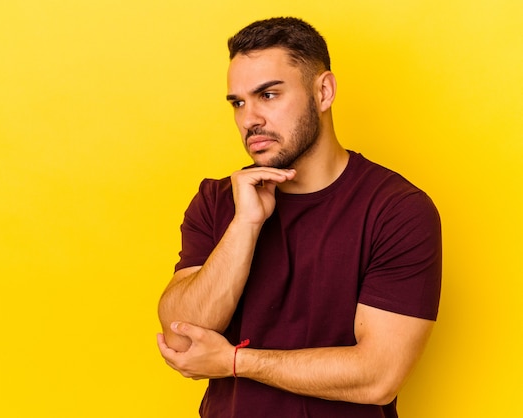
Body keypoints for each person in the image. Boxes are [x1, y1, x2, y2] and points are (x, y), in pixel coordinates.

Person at [157, 16, 441, 418]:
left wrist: (236, 363)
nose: (249, 118)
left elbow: (378, 377)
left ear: (323, 91)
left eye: (268, 95)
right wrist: (246, 226)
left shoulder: (398, 211)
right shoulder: (218, 200)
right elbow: (182, 338)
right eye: (238, 102)